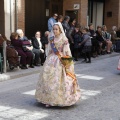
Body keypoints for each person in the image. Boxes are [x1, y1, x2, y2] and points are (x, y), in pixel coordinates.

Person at [35, 22, 81, 107]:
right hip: (51, 59)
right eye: (54, 29)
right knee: (47, 78)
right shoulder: (51, 39)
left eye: (57, 29)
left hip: (60, 59)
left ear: (60, 30)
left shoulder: (64, 39)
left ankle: (60, 99)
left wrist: (68, 62)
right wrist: (47, 58)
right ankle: (48, 99)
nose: (55, 31)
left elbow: (67, 51)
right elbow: (49, 50)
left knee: (59, 79)